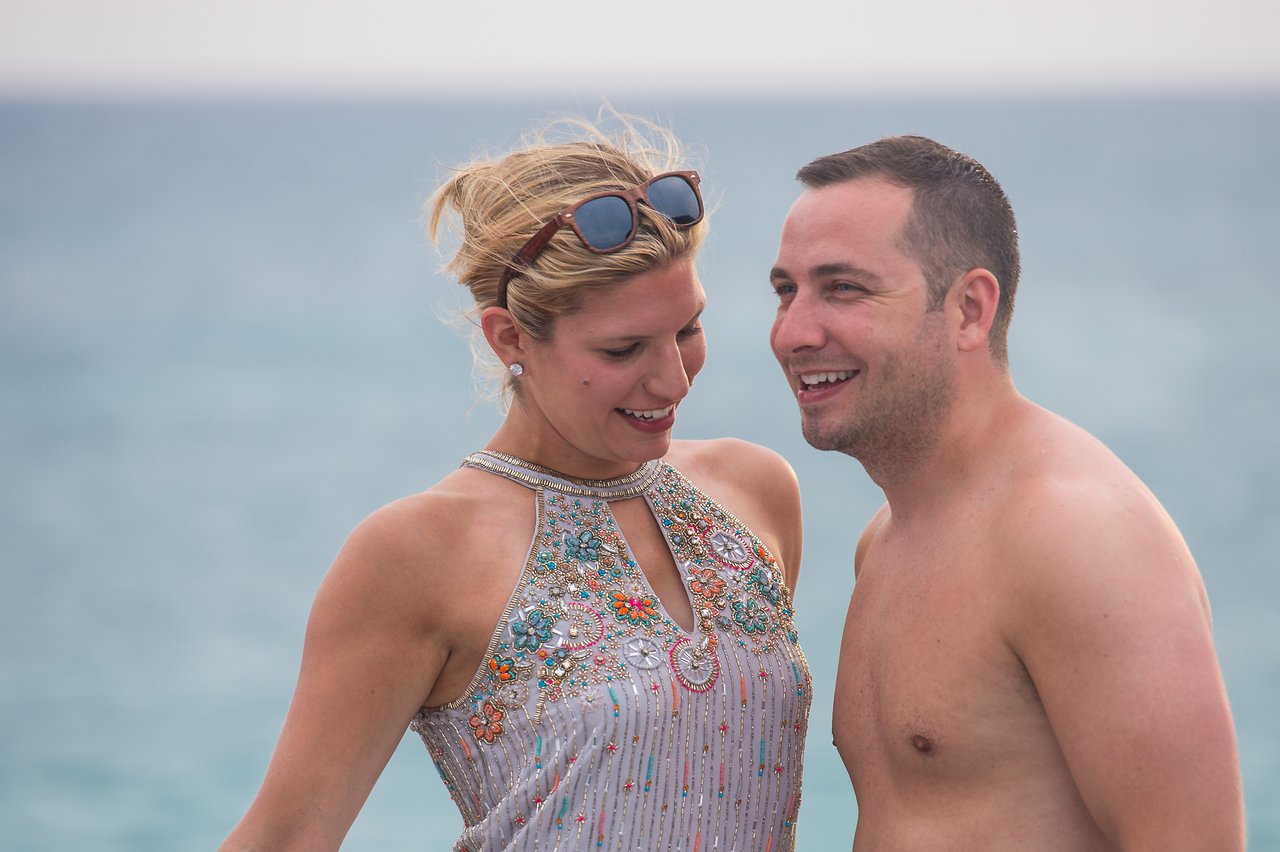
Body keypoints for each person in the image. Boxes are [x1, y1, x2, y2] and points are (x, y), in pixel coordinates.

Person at [220, 115, 811, 852]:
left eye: (688, 329)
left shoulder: (756, 491)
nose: (674, 379)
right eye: (624, 348)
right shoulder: (417, 552)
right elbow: (284, 837)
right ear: (509, 338)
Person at [768, 135, 1244, 850]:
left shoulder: (1075, 533)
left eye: (844, 288)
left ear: (969, 309)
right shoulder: (887, 537)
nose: (793, 332)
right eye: (786, 291)